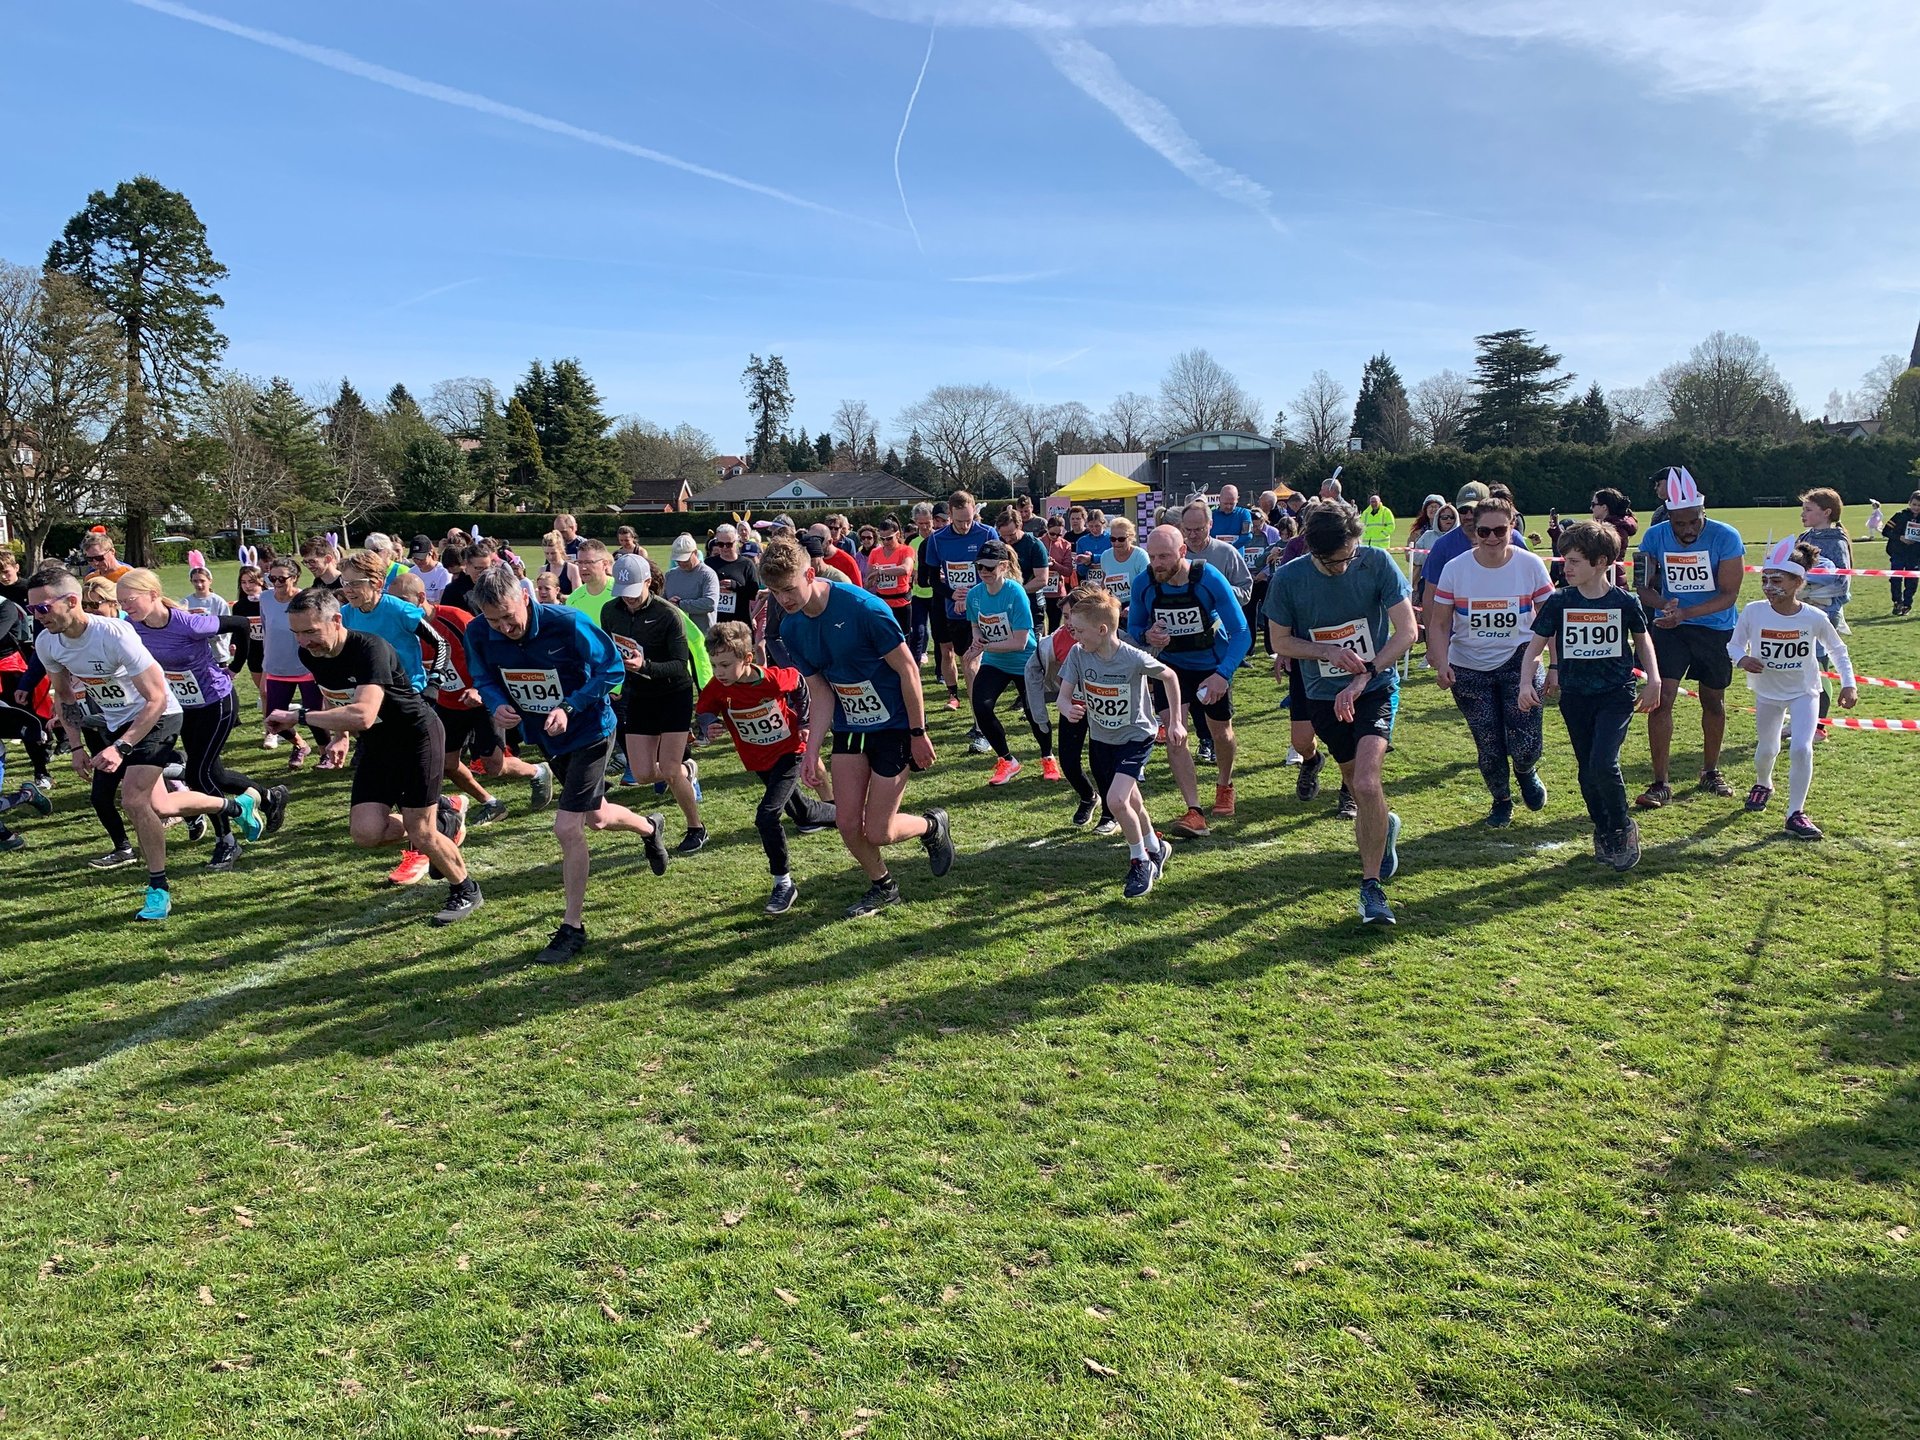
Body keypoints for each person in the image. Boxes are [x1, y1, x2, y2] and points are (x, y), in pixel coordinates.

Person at [32, 565, 264, 921]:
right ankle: (235, 808)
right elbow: (64, 697)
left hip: (159, 715)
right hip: (117, 722)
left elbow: (156, 698)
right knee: (162, 806)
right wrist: (77, 747)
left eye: (42, 608)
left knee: (133, 799)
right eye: (33, 609)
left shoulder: (114, 634)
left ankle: (158, 889)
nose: (37, 616)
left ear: (72, 601)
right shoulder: (48, 642)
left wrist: (121, 747)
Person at [464, 565, 670, 962]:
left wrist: (570, 705)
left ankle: (572, 927)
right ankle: (650, 827)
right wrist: (497, 703)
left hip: (591, 730)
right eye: (494, 620)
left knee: (567, 825)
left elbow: (610, 669)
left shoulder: (568, 622)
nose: (504, 627)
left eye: (509, 616)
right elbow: (483, 676)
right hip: (548, 737)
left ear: (525, 597)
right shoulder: (479, 631)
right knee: (597, 817)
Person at [761, 537, 953, 918]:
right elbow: (819, 689)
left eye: (788, 589)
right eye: (774, 592)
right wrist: (812, 749)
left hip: (894, 725)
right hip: (851, 726)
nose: (783, 599)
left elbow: (908, 669)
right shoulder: (792, 625)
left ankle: (932, 826)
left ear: (810, 574)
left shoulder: (864, 608)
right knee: (848, 823)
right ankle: (884, 886)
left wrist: (918, 733)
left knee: (879, 831)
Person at [1263, 502, 1414, 926]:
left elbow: (1407, 631)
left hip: (1375, 687)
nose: (1341, 567)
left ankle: (1370, 890)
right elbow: (1280, 640)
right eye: (1330, 562)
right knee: (1358, 784)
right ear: (1311, 550)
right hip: (1322, 696)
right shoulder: (1290, 578)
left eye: (1348, 555)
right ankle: (1383, 825)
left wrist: (1366, 672)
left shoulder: (1377, 562)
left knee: (1366, 782)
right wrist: (1326, 651)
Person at [119, 569, 286, 870]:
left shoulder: (189, 623)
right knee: (214, 774)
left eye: (130, 600)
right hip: (184, 706)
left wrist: (235, 667)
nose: (125, 607)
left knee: (198, 774)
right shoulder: (131, 626)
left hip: (216, 702)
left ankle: (227, 842)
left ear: (153, 594)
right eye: (121, 602)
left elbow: (241, 624)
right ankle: (269, 796)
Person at [1520, 522, 1660, 870]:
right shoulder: (1559, 601)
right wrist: (1526, 683)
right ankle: (1603, 828)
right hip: (1575, 696)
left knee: (1603, 762)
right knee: (1586, 770)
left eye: (1574, 561)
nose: (1565, 568)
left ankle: (1622, 825)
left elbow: (1643, 640)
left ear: (1601, 562)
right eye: (1565, 560)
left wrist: (1654, 679)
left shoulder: (1624, 601)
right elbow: (1534, 648)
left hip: (1615, 694)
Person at [1429, 496, 1556, 827]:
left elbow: (1550, 619)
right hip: (1469, 667)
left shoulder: (1530, 565)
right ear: (1473, 532)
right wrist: (1441, 661)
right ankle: (1501, 800)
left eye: (1500, 530)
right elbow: (1440, 622)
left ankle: (1526, 770)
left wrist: (1555, 665)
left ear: (1512, 526)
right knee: (1489, 744)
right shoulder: (1455, 570)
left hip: (1521, 663)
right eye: (1484, 531)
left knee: (1526, 743)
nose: (1492, 538)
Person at [388, 570, 554, 825]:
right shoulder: (401, 629)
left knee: (493, 766)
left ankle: (537, 770)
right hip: (446, 703)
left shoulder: (455, 618)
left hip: (482, 698)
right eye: (392, 601)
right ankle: (490, 802)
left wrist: (479, 689)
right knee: (446, 762)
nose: (396, 608)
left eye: (401, 601)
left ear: (421, 597)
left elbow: (489, 652)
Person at [696, 620, 837, 914]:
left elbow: (798, 683)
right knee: (805, 813)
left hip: (789, 752)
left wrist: (806, 723)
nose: (719, 672)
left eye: (725, 664)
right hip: (759, 760)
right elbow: (705, 708)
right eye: (714, 665)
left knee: (767, 816)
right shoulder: (718, 688)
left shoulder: (771, 679)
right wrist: (710, 725)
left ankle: (783, 884)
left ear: (747, 659)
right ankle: (852, 815)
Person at [1728, 538, 1857, 840]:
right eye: (1764, 580)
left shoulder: (1813, 617)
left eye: (1777, 580)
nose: (1769, 586)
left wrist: (1848, 684)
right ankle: (1763, 783)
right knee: (1767, 748)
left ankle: (1795, 813)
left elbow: (1838, 651)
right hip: (1767, 692)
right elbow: (1734, 645)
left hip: (1804, 692)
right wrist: (1743, 659)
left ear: (1798, 582)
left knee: (1801, 748)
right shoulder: (1753, 611)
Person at [1128, 524, 1251, 837]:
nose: (1157, 563)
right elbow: (1135, 628)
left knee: (1220, 732)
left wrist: (1223, 674)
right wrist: (1147, 635)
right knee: (1174, 734)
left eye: (1165, 556)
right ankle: (1194, 810)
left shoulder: (1208, 578)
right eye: (1153, 556)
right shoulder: (1144, 582)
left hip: (1211, 666)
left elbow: (1241, 632)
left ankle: (1224, 784)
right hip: (1171, 668)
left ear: (1182, 552)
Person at [1632, 466, 1744, 807]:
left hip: (1715, 628)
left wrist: (1686, 613)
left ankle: (1710, 772)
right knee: (1662, 699)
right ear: (1669, 516)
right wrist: (1666, 606)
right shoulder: (1654, 537)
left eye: (1694, 521)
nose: (1687, 530)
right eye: (1679, 523)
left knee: (1712, 700)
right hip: (1670, 628)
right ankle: (1660, 783)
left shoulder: (1727, 537)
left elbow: (1729, 594)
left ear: (1702, 512)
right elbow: (1642, 585)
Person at [1058, 588, 1177, 898]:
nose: (1076, 636)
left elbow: (1170, 677)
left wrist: (1175, 721)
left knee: (1116, 801)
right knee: (1131, 799)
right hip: (1102, 739)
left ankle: (1140, 861)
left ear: (1102, 629)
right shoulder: (1078, 654)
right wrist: (1066, 707)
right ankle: (1156, 847)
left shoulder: (1132, 656)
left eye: (1080, 631)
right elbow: (1062, 695)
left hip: (1136, 737)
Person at [599, 553, 706, 853]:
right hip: (639, 694)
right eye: (624, 595)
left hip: (674, 694)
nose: (629, 601)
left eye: (634, 593)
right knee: (643, 773)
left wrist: (644, 666)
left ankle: (696, 828)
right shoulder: (610, 611)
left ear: (648, 582)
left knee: (670, 769)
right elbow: (610, 650)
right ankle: (687, 772)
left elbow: (679, 664)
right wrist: (615, 681)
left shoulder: (668, 614)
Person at [963, 538, 1056, 785]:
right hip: (996, 661)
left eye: (990, 567)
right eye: (979, 567)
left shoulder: (1015, 593)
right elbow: (975, 626)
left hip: (1025, 661)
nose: (984, 572)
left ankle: (1048, 757)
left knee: (1034, 712)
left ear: (1003, 566)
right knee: (981, 706)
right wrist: (977, 642)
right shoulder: (974, 595)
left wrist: (983, 646)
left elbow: (1021, 642)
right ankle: (1007, 760)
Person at [1024, 588, 1107, 830]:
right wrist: (1040, 715)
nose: (1068, 622)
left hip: (1105, 708)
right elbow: (1032, 671)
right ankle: (1088, 796)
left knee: (1099, 762)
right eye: (1066, 616)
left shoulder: (1107, 637)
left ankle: (1110, 814)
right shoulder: (1055, 642)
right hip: (1072, 707)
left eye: (1073, 615)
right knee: (1069, 763)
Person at [918, 491, 995, 747]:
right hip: (956, 612)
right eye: (960, 521)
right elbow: (929, 580)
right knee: (968, 662)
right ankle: (980, 722)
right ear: (949, 515)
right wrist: (952, 593)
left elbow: (1001, 572)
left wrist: (974, 594)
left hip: (986, 610)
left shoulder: (986, 534)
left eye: (969, 519)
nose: (965, 526)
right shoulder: (937, 540)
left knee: (974, 663)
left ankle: (981, 726)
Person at [259, 560, 326, 767]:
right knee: (274, 720)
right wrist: (264, 665)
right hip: (276, 666)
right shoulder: (265, 598)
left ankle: (326, 753)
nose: (276, 582)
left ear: (295, 578)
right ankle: (299, 745)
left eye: (282, 578)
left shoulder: (305, 598)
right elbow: (265, 629)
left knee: (314, 715)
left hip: (305, 665)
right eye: (272, 578)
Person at [1797, 487, 1853, 733]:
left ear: (1826, 512)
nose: (1803, 514)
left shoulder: (1837, 542)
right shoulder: (1804, 536)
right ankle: (1802, 721)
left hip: (1823, 614)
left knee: (1820, 667)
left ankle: (1819, 726)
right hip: (1798, 613)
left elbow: (1842, 582)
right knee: (1801, 667)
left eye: (1808, 510)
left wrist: (1813, 592)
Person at [996, 506, 1053, 616]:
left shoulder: (1034, 545)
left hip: (1031, 604)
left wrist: (1017, 592)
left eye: (1011, 535)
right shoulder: (998, 543)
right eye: (1003, 536)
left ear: (1020, 526)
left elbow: (1042, 579)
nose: (1007, 540)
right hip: (1003, 605)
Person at [706, 523, 762, 637]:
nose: (725, 548)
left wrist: (735, 586)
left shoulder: (747, 564)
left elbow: (754, 593)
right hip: (715, 622)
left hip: (739, 623)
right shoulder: (709, 563)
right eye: (720, 544)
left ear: (736, 542)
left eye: (729, 544)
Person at [863, 515, 917, 632]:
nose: (885, 542)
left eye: (889, 538)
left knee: (903, 638)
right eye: (882, 539)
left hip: (901, 603)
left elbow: (906, 569)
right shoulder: (875, 552)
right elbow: (868, 582)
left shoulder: (906, 550)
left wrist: (881, 571)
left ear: (897, 535)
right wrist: (872, 579)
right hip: (882, 603)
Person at [226, 564, 267, 712]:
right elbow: (238, 630)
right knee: (264, 693)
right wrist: (234, 644)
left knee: (267, 691)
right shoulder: (239, 606)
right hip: (253, 653)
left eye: (251, 581)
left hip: (273, 651)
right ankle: (274, 727)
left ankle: (273, 730)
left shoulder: (270, 600)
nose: (247, 586)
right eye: (243, 582)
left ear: (261, 581)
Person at [664, 533, 720, 636]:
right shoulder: (670, 575)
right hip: (676, 635)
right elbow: (662, 602)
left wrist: (681, 604)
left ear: (695, 552)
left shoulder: (708, 574)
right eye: (678, 560)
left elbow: (710, 603)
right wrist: (669, 604)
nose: (681, 563)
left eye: (685, 559)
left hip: (702, 637)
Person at [1088, 516, 1149, 611]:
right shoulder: (1105, 556)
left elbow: (1147, 586)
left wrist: (1133, 607)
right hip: (1113, 606)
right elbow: (1104, 584)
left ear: (1130, 537)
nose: (1116, 543)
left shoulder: (1140, 556)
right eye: (1113, 539)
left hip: (1137, 604)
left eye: (1121, 539)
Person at [906, 502, 937, 664]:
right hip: (917, 593)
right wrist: (913, 571)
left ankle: (941, 672)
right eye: (920, 523)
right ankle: (915, 666)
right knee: (918, 631)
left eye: (928, 523)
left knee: (939, 635)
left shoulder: (939, 538)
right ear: (915, 522)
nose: (924, 527)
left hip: (937, 593)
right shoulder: (911, 541)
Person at [1880, 489, 1920, 616]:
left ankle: (1907, 604)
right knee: (1896, 578)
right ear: (1909, 503)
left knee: (1912, 580)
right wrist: (1900, 537)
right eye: (1914, 504)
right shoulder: (1900, 515)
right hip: (1898, 552)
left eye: (1919, 505)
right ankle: (1897, 602)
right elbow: (1885, 531)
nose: (1916, 508)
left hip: (1915, 555)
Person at [1209, 484, 1255, 549]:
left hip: (1236, 553)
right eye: (1225, 503)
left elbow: (1247, 535)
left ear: (1237, 499)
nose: (1228, 506)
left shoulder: (1243, 513)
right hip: (1215, 552)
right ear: (1219, 499)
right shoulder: (1211, 515)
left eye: (1232, 504)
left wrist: (1231, 548)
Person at [409, 536, 452, 604]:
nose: (418, 561)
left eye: (421, 558)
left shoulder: (443, 572)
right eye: (415, 558)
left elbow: (443, 601)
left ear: (430, 552)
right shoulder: (411, 572)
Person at [539, 531, 580, 599]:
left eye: (553, 553)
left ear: (560, 550)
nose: (550, 557)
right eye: (547, 553)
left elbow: (578, 597)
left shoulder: (572, 569)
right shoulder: (542, 570)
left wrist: (558, 597)